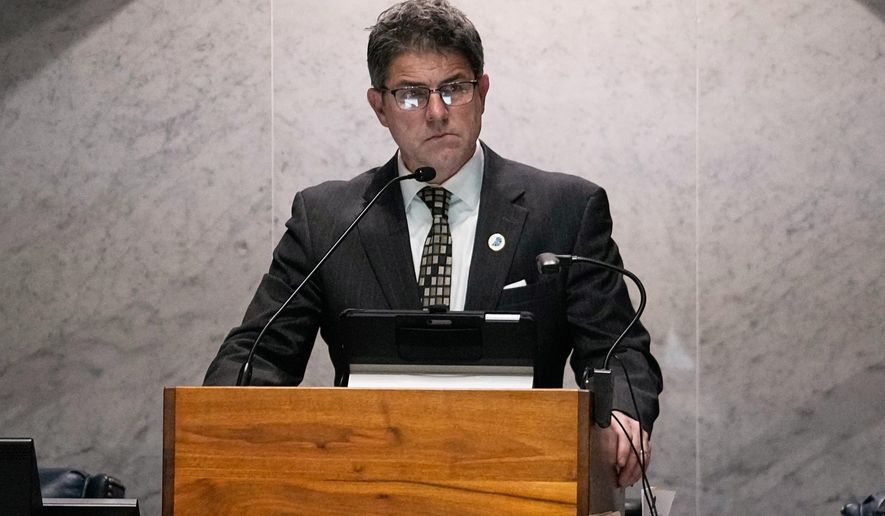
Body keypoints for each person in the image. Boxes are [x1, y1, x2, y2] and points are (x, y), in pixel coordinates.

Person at [204, 0, 662, 488]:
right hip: (368, 481)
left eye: (454, 88)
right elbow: (259, 354)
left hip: (522, 479)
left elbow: (618, 348)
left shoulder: (565, 209)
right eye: (410, 94)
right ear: (378, 107)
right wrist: (217, 423)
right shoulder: (328, 219)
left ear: (482, 92)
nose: (437, 112)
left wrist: (621, 410)